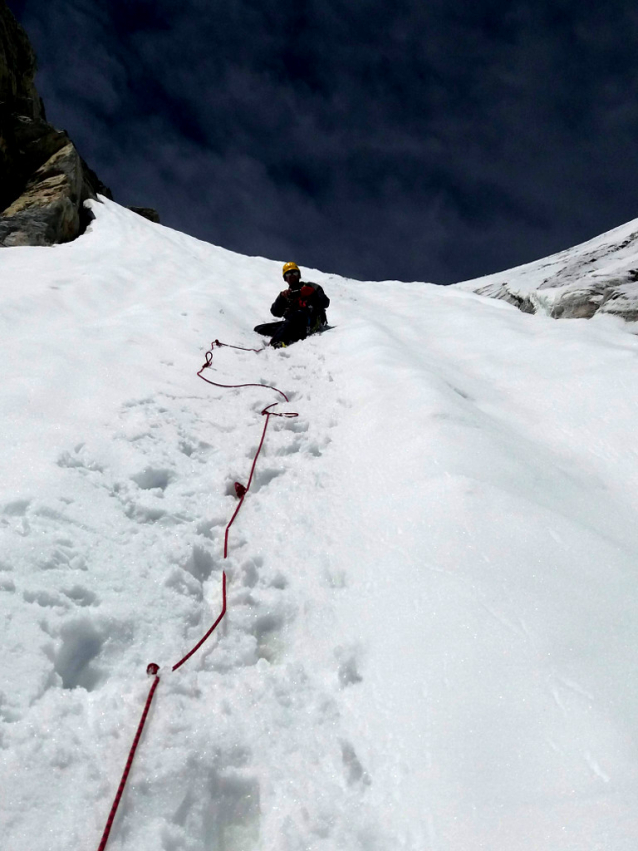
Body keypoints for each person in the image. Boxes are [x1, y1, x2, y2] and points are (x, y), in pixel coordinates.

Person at [254, 262, 330, 348]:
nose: (292, 276)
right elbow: (276, 312)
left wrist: (313, 294)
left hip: (311, 322)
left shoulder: (311, 287)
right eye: (288, 274)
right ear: (285, 278)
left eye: (294, 273)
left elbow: (325, 302)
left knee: (297, 315)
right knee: (259, 329)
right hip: (292, 324)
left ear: (299, 275)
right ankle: (286, 336)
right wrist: (281, 298)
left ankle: (277, 343)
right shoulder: (288, 295)